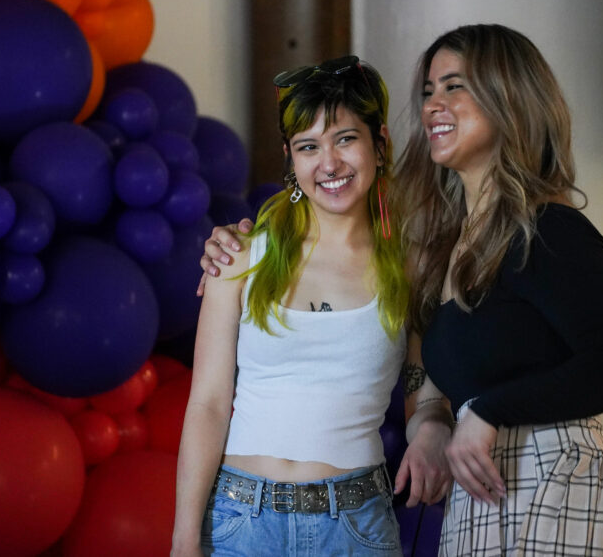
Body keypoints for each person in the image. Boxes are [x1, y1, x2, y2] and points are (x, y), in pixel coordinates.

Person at [200, 24, 603, 556]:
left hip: (556, 490)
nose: (434, 103)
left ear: (509, 99)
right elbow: (438, 376)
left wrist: (485, 412)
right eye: (428, 91)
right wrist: (436, 419)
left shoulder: (547, 228)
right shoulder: (453, 247)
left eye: (454, 86)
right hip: (481, 501)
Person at [172, 55, 451, 557]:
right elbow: (209, 404)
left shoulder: (413, 265)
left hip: (356, 524)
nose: (329, 163)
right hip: (240, 521)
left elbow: (421, 387)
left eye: (345, 138)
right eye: (309, 146)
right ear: (291, 160)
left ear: (379, 144)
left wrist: (432, 424)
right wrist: (184, 538)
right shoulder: (240, 256)